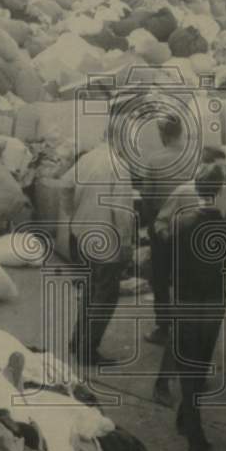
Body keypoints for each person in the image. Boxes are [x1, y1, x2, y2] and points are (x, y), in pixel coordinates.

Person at [151, 146, 226, 407]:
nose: (224, 175)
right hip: (186, 274)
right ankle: (162, 383)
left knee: (208, 330)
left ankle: (197, 378)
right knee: (181, 332)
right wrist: (172, 246)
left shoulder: (225, 192)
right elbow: (160, 223)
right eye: (219, 168)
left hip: (213, 272)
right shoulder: (182, 192)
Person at [167, 161, 226, 451]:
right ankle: (194, 435)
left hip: (185, 301)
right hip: (213, 301)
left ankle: (187, 417)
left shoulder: (180, 223)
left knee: (188, 365)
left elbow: (169, 258)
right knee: (201, 362)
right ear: (220, 190)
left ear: (196, 189)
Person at [63, 102, 138, 368]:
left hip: (79, 233)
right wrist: (127, 246)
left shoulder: (89, 157)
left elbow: (64, 184)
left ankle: (77, 341)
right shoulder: (120, 166)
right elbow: (123, 214)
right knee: (104, 297)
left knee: (90, 292)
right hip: (105, 240)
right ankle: (87, 351)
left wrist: (74, 213)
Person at [136, 111, 188, 349]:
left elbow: (147, 197)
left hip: (163, 227)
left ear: (162, 135)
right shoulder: (195, 159)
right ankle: (188, 327)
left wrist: (150, 227)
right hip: (192, 226)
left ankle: (164, 328)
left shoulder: (154, 161)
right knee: (186, 276)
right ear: (181, 133)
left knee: (160, 278)